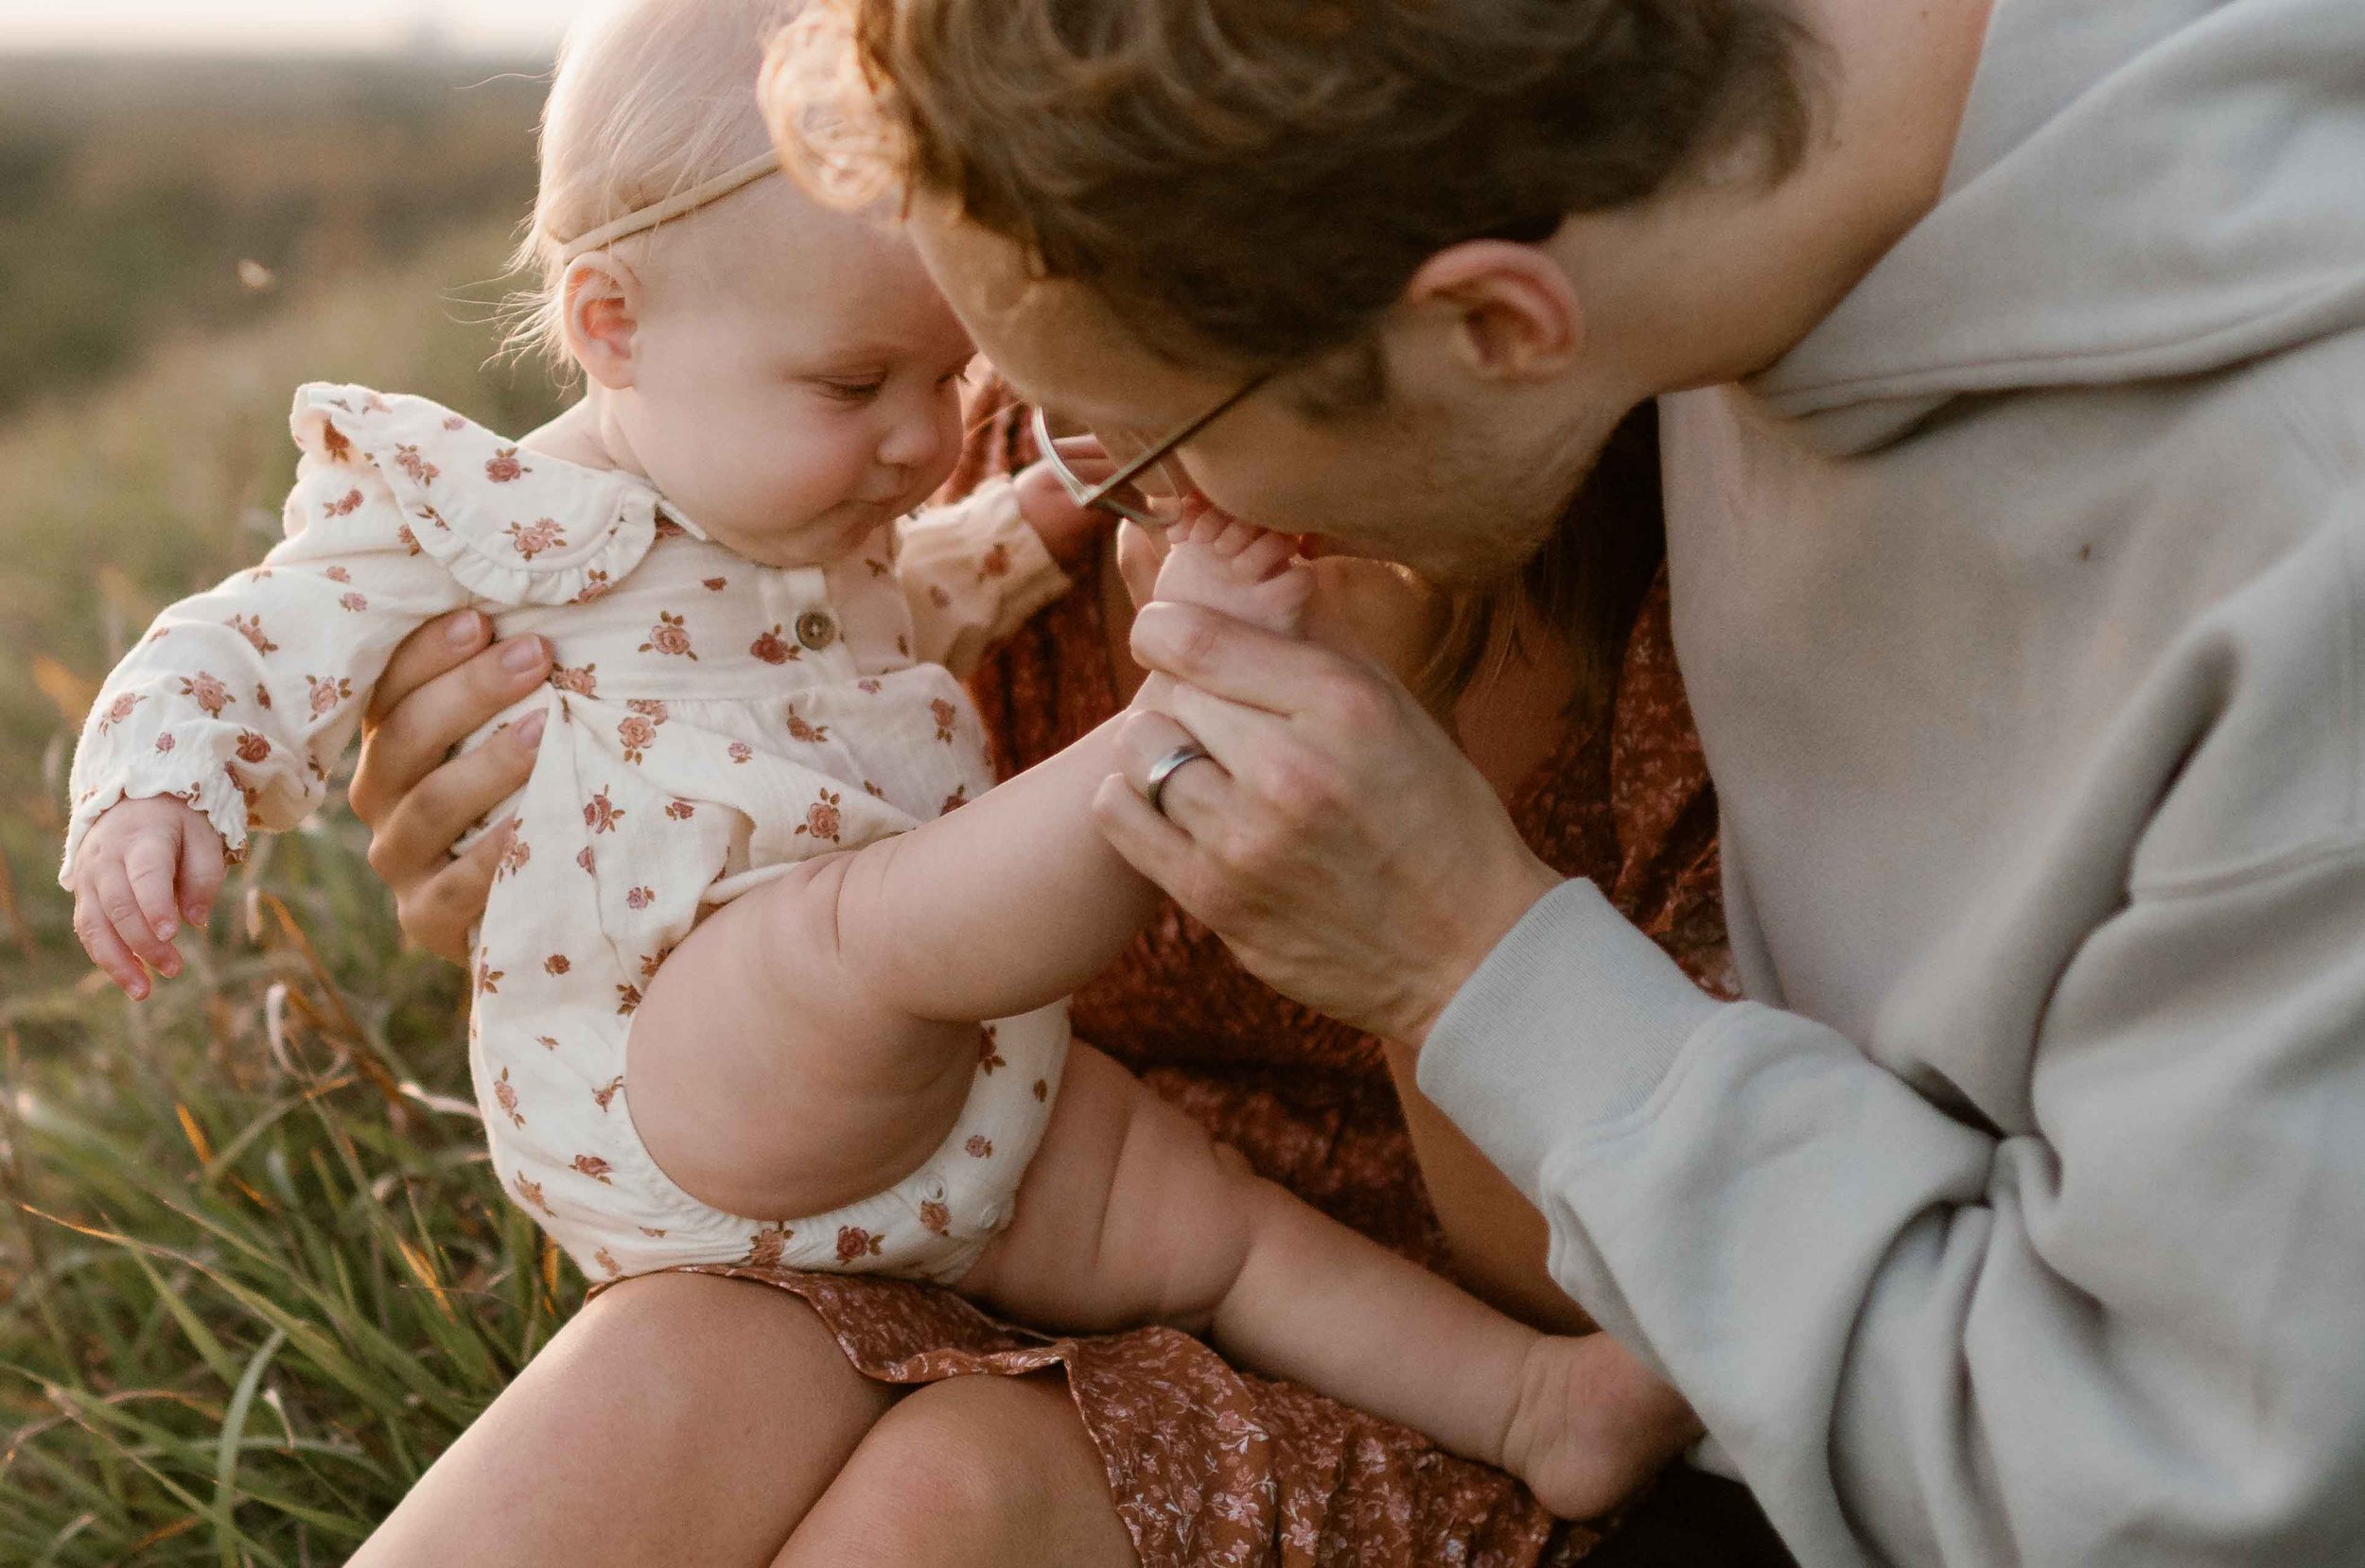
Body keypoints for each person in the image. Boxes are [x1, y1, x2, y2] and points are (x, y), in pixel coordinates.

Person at [61, 0, 1691, 1542]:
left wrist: (1039, 519)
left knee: (1218, 1229)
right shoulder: (480, 514)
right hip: (704, 1095)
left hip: (980, 1104)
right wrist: (159, 793)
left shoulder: (833, 493)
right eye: (866, 388)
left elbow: (938, 587)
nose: (924, 442)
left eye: (953, 382)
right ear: (609, 326)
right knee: (854, 942)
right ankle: (1195, 734)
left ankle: (1539, 1403)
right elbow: (245, 641)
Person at [767, 0, 2365, 1561]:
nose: (1149, 508)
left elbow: (2163, 1494)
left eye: (1141, 445)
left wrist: (1469, 962)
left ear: (1499, 328)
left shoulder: (2299, 553)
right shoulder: (1720, 172)